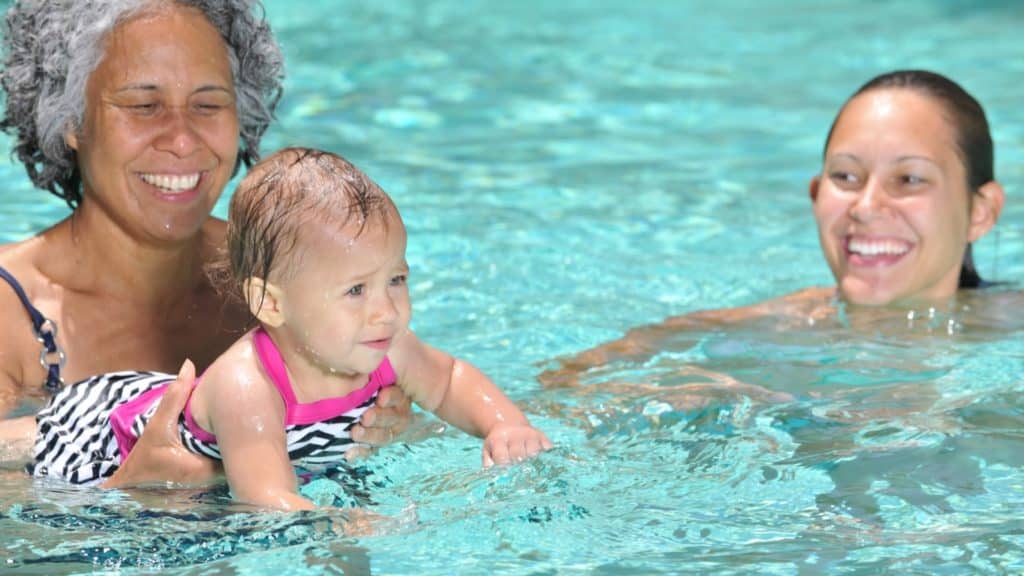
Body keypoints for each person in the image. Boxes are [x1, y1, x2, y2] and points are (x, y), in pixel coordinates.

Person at [0, 0, 411, 487]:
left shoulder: (293, 274)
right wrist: (120, 492)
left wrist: (380, 415)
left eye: (208, 104)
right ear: (71, 121)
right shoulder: (13, 320)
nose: (181, 139)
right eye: (143, 105)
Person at [30, 147, 553, 510]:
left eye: (396, 279)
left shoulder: (388, 343)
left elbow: (452, 379)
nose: (386, 311)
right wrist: (325, 520)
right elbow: (262, 496)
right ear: (269, 303)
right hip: (108, 436)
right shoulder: (249, 387)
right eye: (355, 290)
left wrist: (503, 425)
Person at [541, 70, 1006, 387]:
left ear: (981, 211)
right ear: (815, 195)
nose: (866, 207)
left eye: (909, 179)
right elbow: (561, 390)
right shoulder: (745, 337)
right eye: (845, 176)